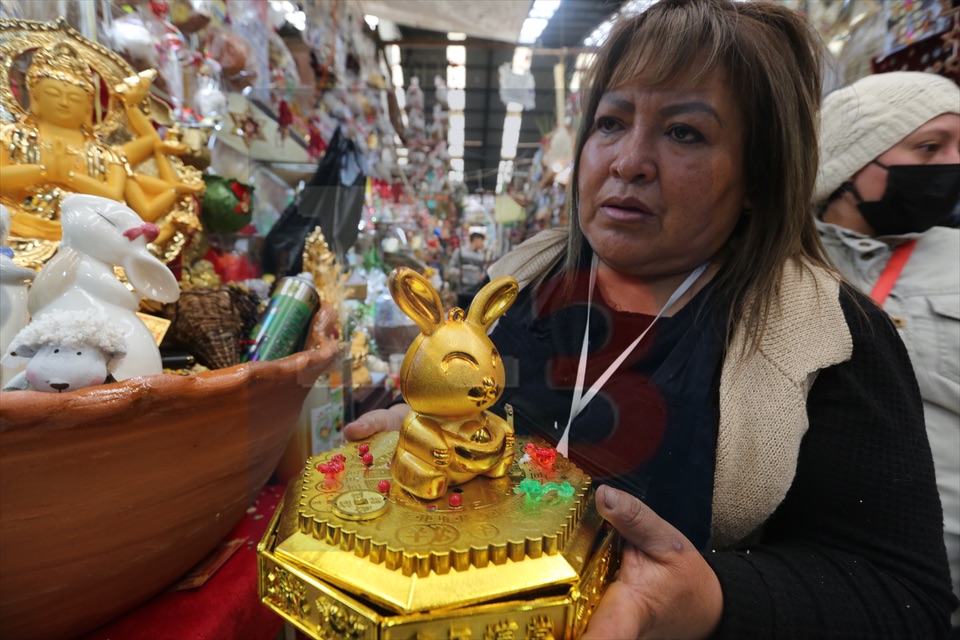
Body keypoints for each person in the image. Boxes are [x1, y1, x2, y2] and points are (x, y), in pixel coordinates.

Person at [346, 0, 958, 637]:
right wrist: (414, 426)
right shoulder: (516, 282)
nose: (628, 161)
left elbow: (902, 597)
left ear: (759, 175)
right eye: (610, 123)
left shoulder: (827, 337)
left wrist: (710, 598)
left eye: (684, 132)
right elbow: (449, 403)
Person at [813, 71, 960, 634]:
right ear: (853, 163)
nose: (950, 163)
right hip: (832, 583)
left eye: (956, 146)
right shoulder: (776, 265)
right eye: (928, 148)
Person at [447, 226, 489, 309]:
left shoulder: (481, 256)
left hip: (475, 291)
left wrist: (482, 276)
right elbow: (450, 268)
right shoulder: (460, 252)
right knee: (461, 314)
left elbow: (484, 271)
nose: (482, 243)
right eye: (481, 240)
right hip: (462, 291)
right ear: (475, 240)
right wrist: (456, 272)